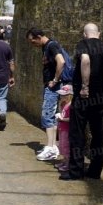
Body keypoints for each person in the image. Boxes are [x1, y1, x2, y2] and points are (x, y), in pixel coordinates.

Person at [61, 22, 103, 181]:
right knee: (98, 133)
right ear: (99, 33)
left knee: (77, 133)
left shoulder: (83, 44)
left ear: (85, 34)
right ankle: (95, 170)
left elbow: (85, 60)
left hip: (83, 97)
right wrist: (101, 91)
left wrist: (85, 87)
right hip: (98, 98)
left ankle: (75, 171)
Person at [25, 28, 67, 161]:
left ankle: (51, 147)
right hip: (52, 86)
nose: (33, 44)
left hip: (53, 86)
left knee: (47, 115)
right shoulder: (47, 47)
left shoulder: (51, 46)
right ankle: (52, 146)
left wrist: (55, 80)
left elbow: (61, 61)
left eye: (33, 41)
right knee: (51, 115)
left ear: (38, 37)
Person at [55, 84, 73, 173]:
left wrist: (62, 119)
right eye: (61, 95)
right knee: (61, 145)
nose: (61, 96)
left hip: (67, 129)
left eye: (64, 95)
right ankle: (64, 161)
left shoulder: (70, 106)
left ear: (69, 95)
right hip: (62, 128)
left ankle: (68, 163)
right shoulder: (63, 104)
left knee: (66, 146)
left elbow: (71, 119)